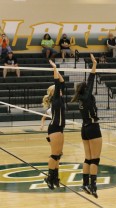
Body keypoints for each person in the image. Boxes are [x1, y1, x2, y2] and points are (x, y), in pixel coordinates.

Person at [71, 54, 102, 198]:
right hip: (93, 127)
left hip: (84, 129)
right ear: (86, 90)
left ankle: (84, 184)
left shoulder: (81, 100)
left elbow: (89, 82)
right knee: (95, 159)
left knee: (88, 158)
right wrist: (94, 63)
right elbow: (92, 78)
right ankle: (93, 186)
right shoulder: (87, 96)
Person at [42, 59, 65, 190]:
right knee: (54, 154)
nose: (60, 90)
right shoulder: (55, 98)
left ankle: (55, 177)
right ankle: (49, 177)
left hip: (60, 128)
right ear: (53, 92)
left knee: (59, 154)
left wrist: (58, 71)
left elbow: (62, 82)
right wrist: (55, 68)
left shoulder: (60, 98)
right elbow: (57, 82)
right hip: (54, 128)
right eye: (57, 90)